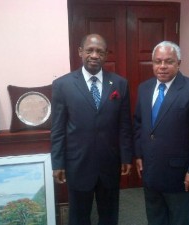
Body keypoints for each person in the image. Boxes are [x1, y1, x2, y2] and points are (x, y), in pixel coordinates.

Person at [51, 34, 133, 225]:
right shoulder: (63, 85)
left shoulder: (120, 84)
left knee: (109, 215)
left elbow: (124, 125)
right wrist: (57, 162)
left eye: (100, 51)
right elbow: (58, 128)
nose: (94, 55)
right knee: (79, 217)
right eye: (90, 50)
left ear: (105, 55)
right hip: (78, 164)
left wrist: (127, 156)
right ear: (81, 52)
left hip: (110, 163)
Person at [133, 41, 189, 225]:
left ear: (179, 63)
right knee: (155, 218)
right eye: (157, 61)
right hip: (150, 171)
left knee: (180, 220)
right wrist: (138, 154)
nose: (162, 67)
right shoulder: (144, 88)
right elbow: (138, 123)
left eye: (168, 61)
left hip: (180, 175)